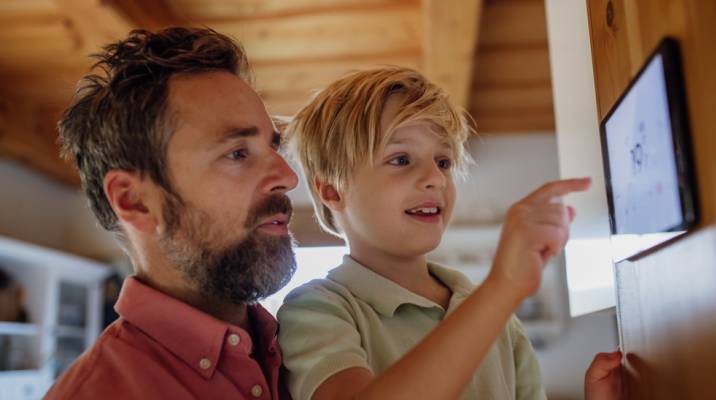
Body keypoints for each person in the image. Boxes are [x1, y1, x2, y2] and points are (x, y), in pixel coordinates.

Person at [277, 67, 622, 400]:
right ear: (332, 190)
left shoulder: (500, 322)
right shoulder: (317, 310)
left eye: (443, 162)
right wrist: (501, 288)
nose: (436, 178)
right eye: (401, 159)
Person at [46, 27, 298, 399]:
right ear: (135, 201)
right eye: (237, 153)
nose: (288, 177)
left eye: (273, 147)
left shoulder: (310, 342)